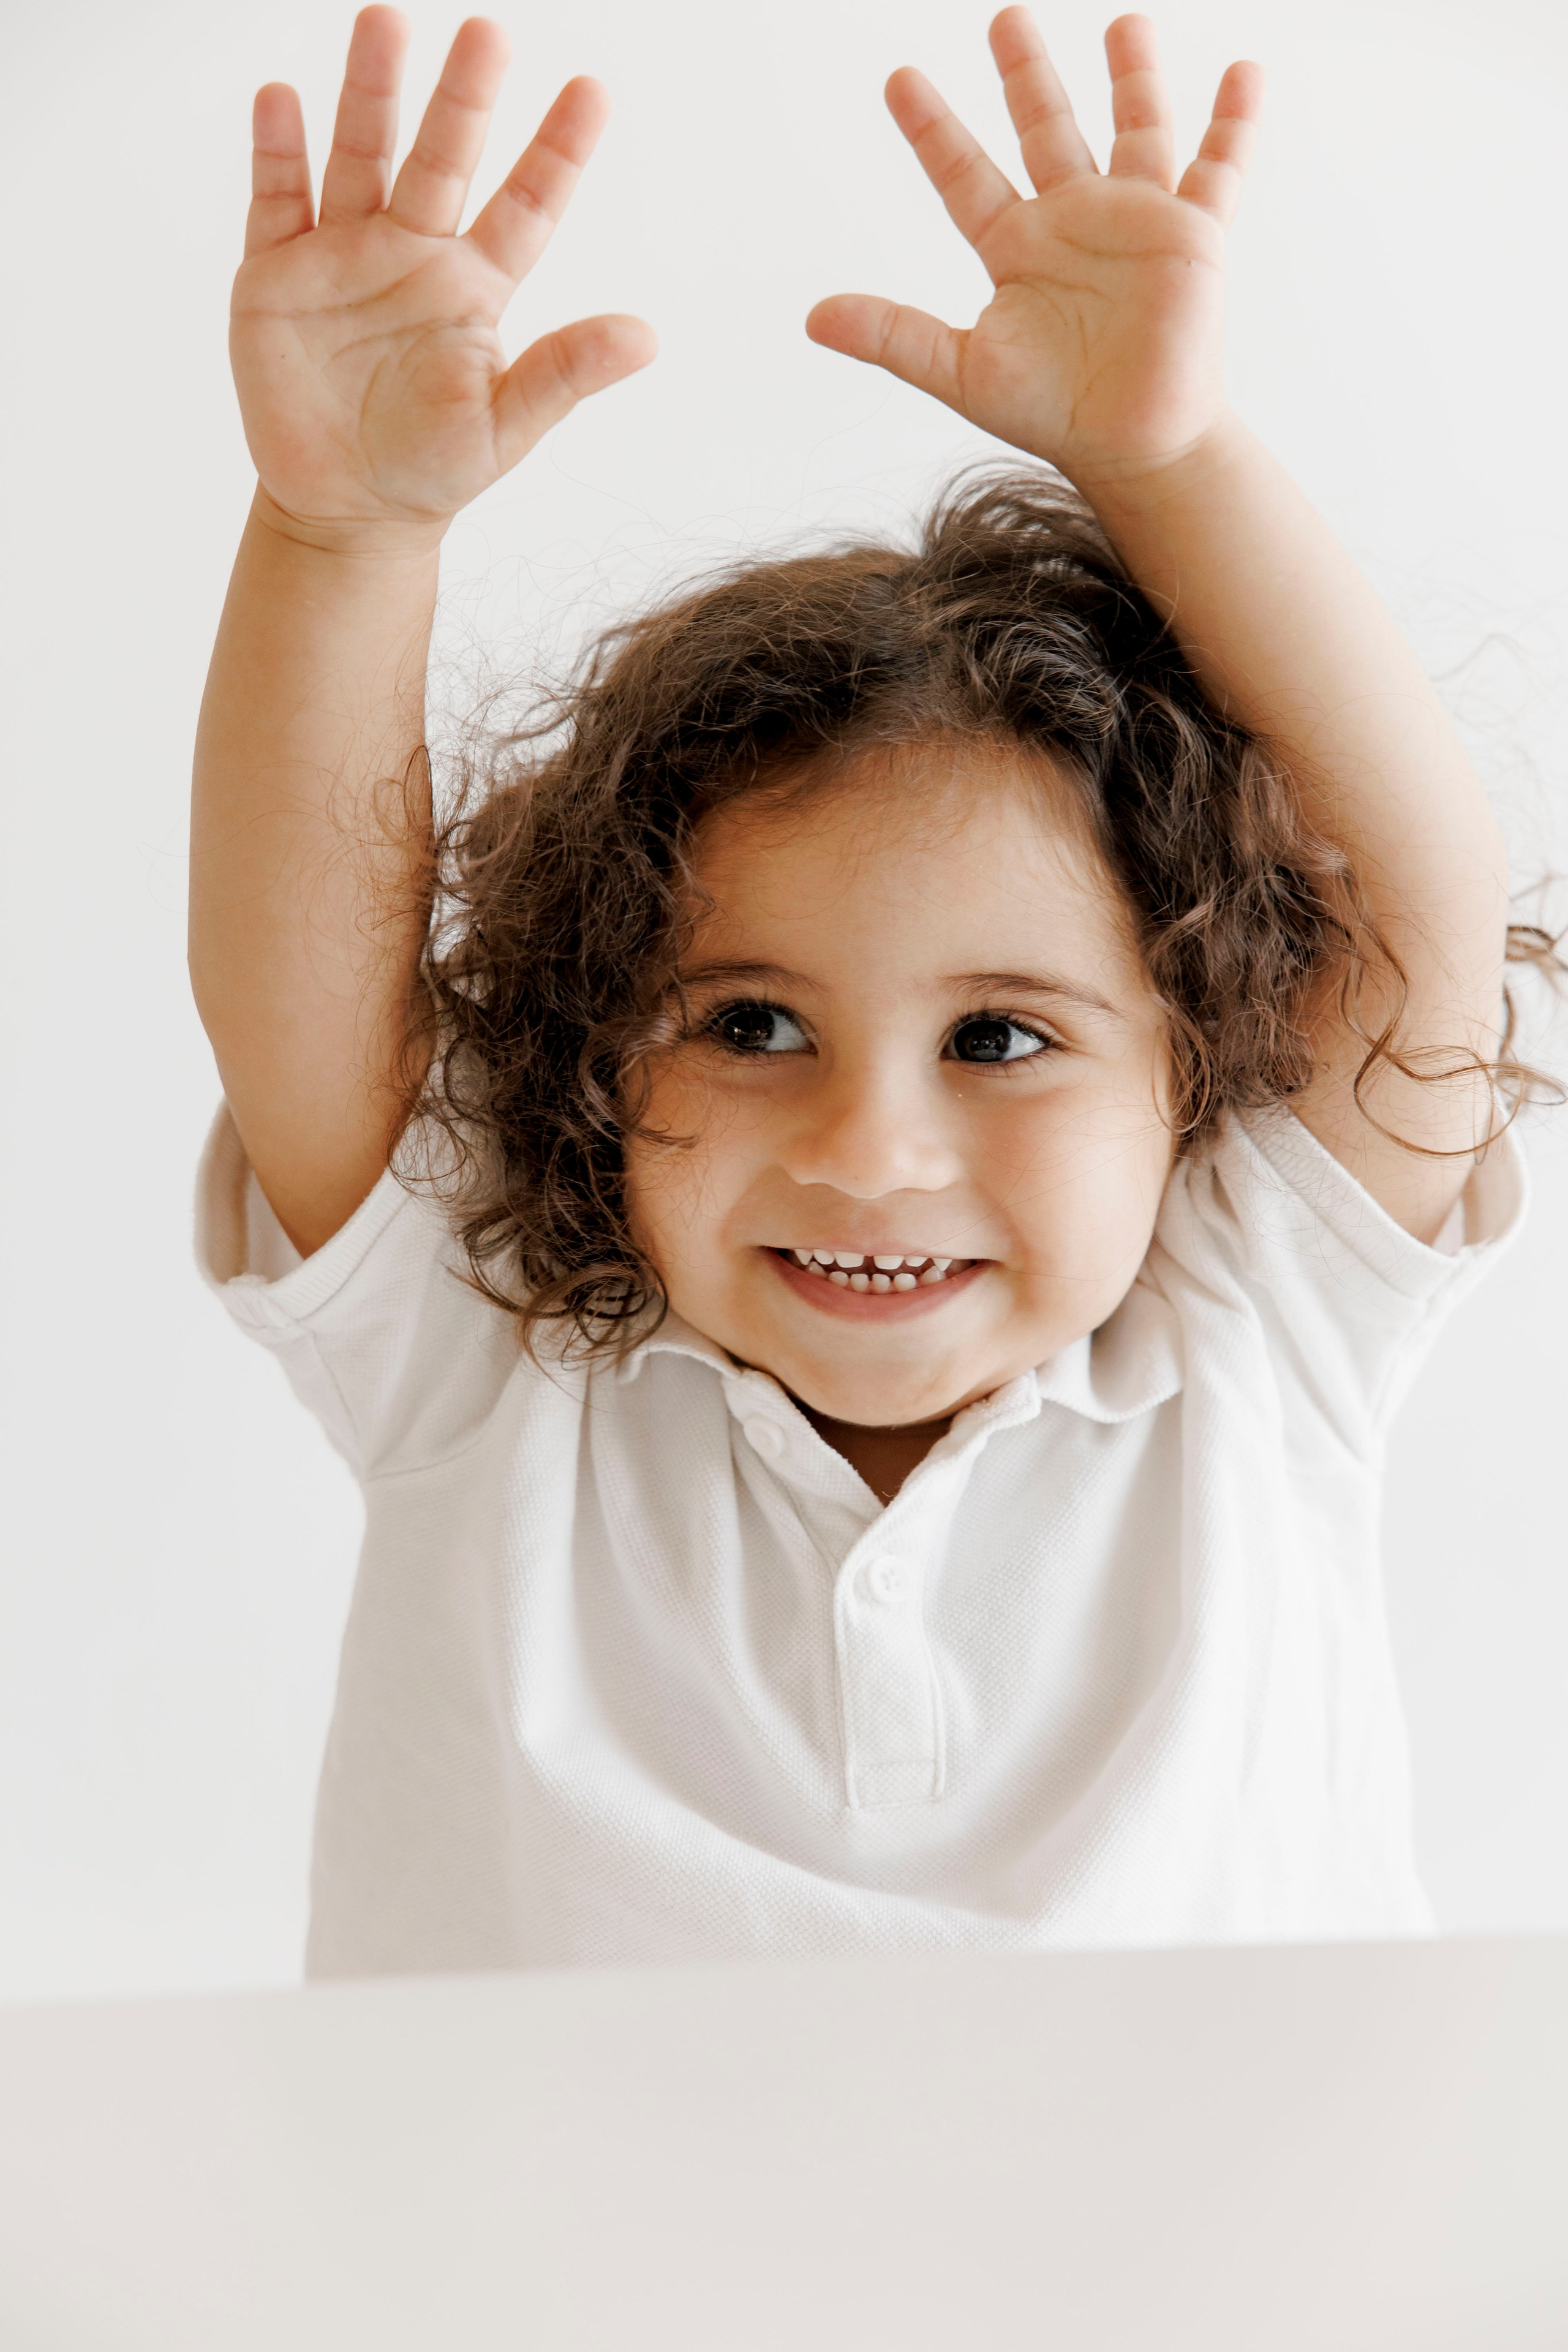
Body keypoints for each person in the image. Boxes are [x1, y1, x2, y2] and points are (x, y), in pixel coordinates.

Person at [190, 5, 1548, 1975]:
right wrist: (342, 532)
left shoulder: (1257, 1331)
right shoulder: (490, 1354)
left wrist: (1172, 462)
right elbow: (302, 965)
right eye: (750, 1025)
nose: (871, 1146)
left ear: (1200, 1054)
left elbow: (1427, 898)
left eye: (1002, 1037)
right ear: (592, 1052)